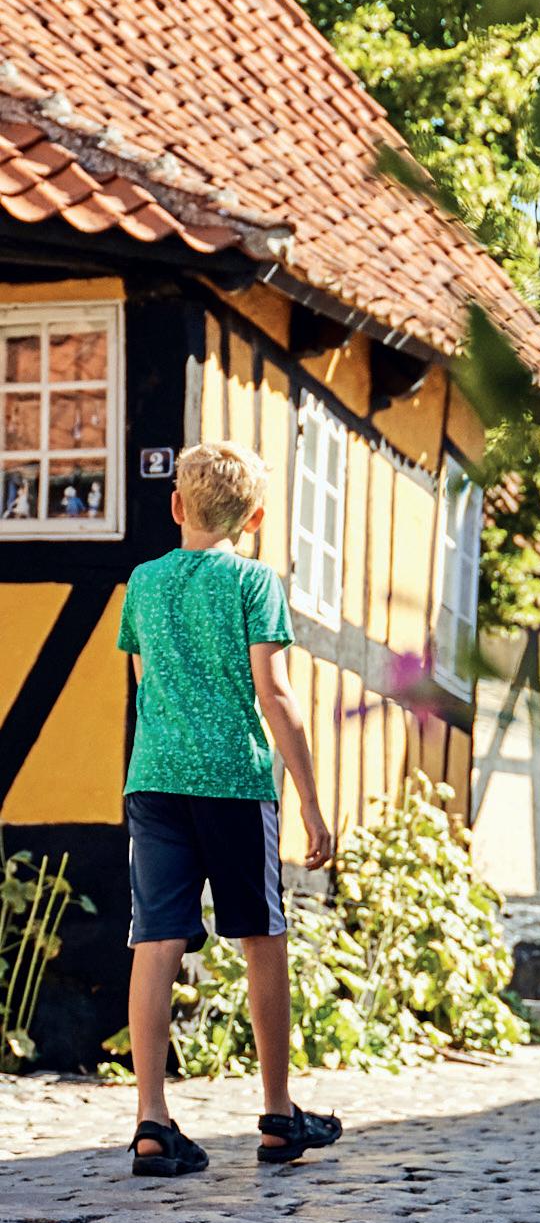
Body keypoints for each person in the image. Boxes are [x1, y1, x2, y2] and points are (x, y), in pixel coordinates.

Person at [117, 440, 343, 1176]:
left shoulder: (143, 582)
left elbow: (146, 682)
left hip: (154, 780)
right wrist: (310, 801)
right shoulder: (254, 581)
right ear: (256, 518)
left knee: (156, 941)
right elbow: (274, 694)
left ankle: (152, 1121)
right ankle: (278, 1114)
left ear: (176, 506)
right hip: (234, 783)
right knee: (261, 937)